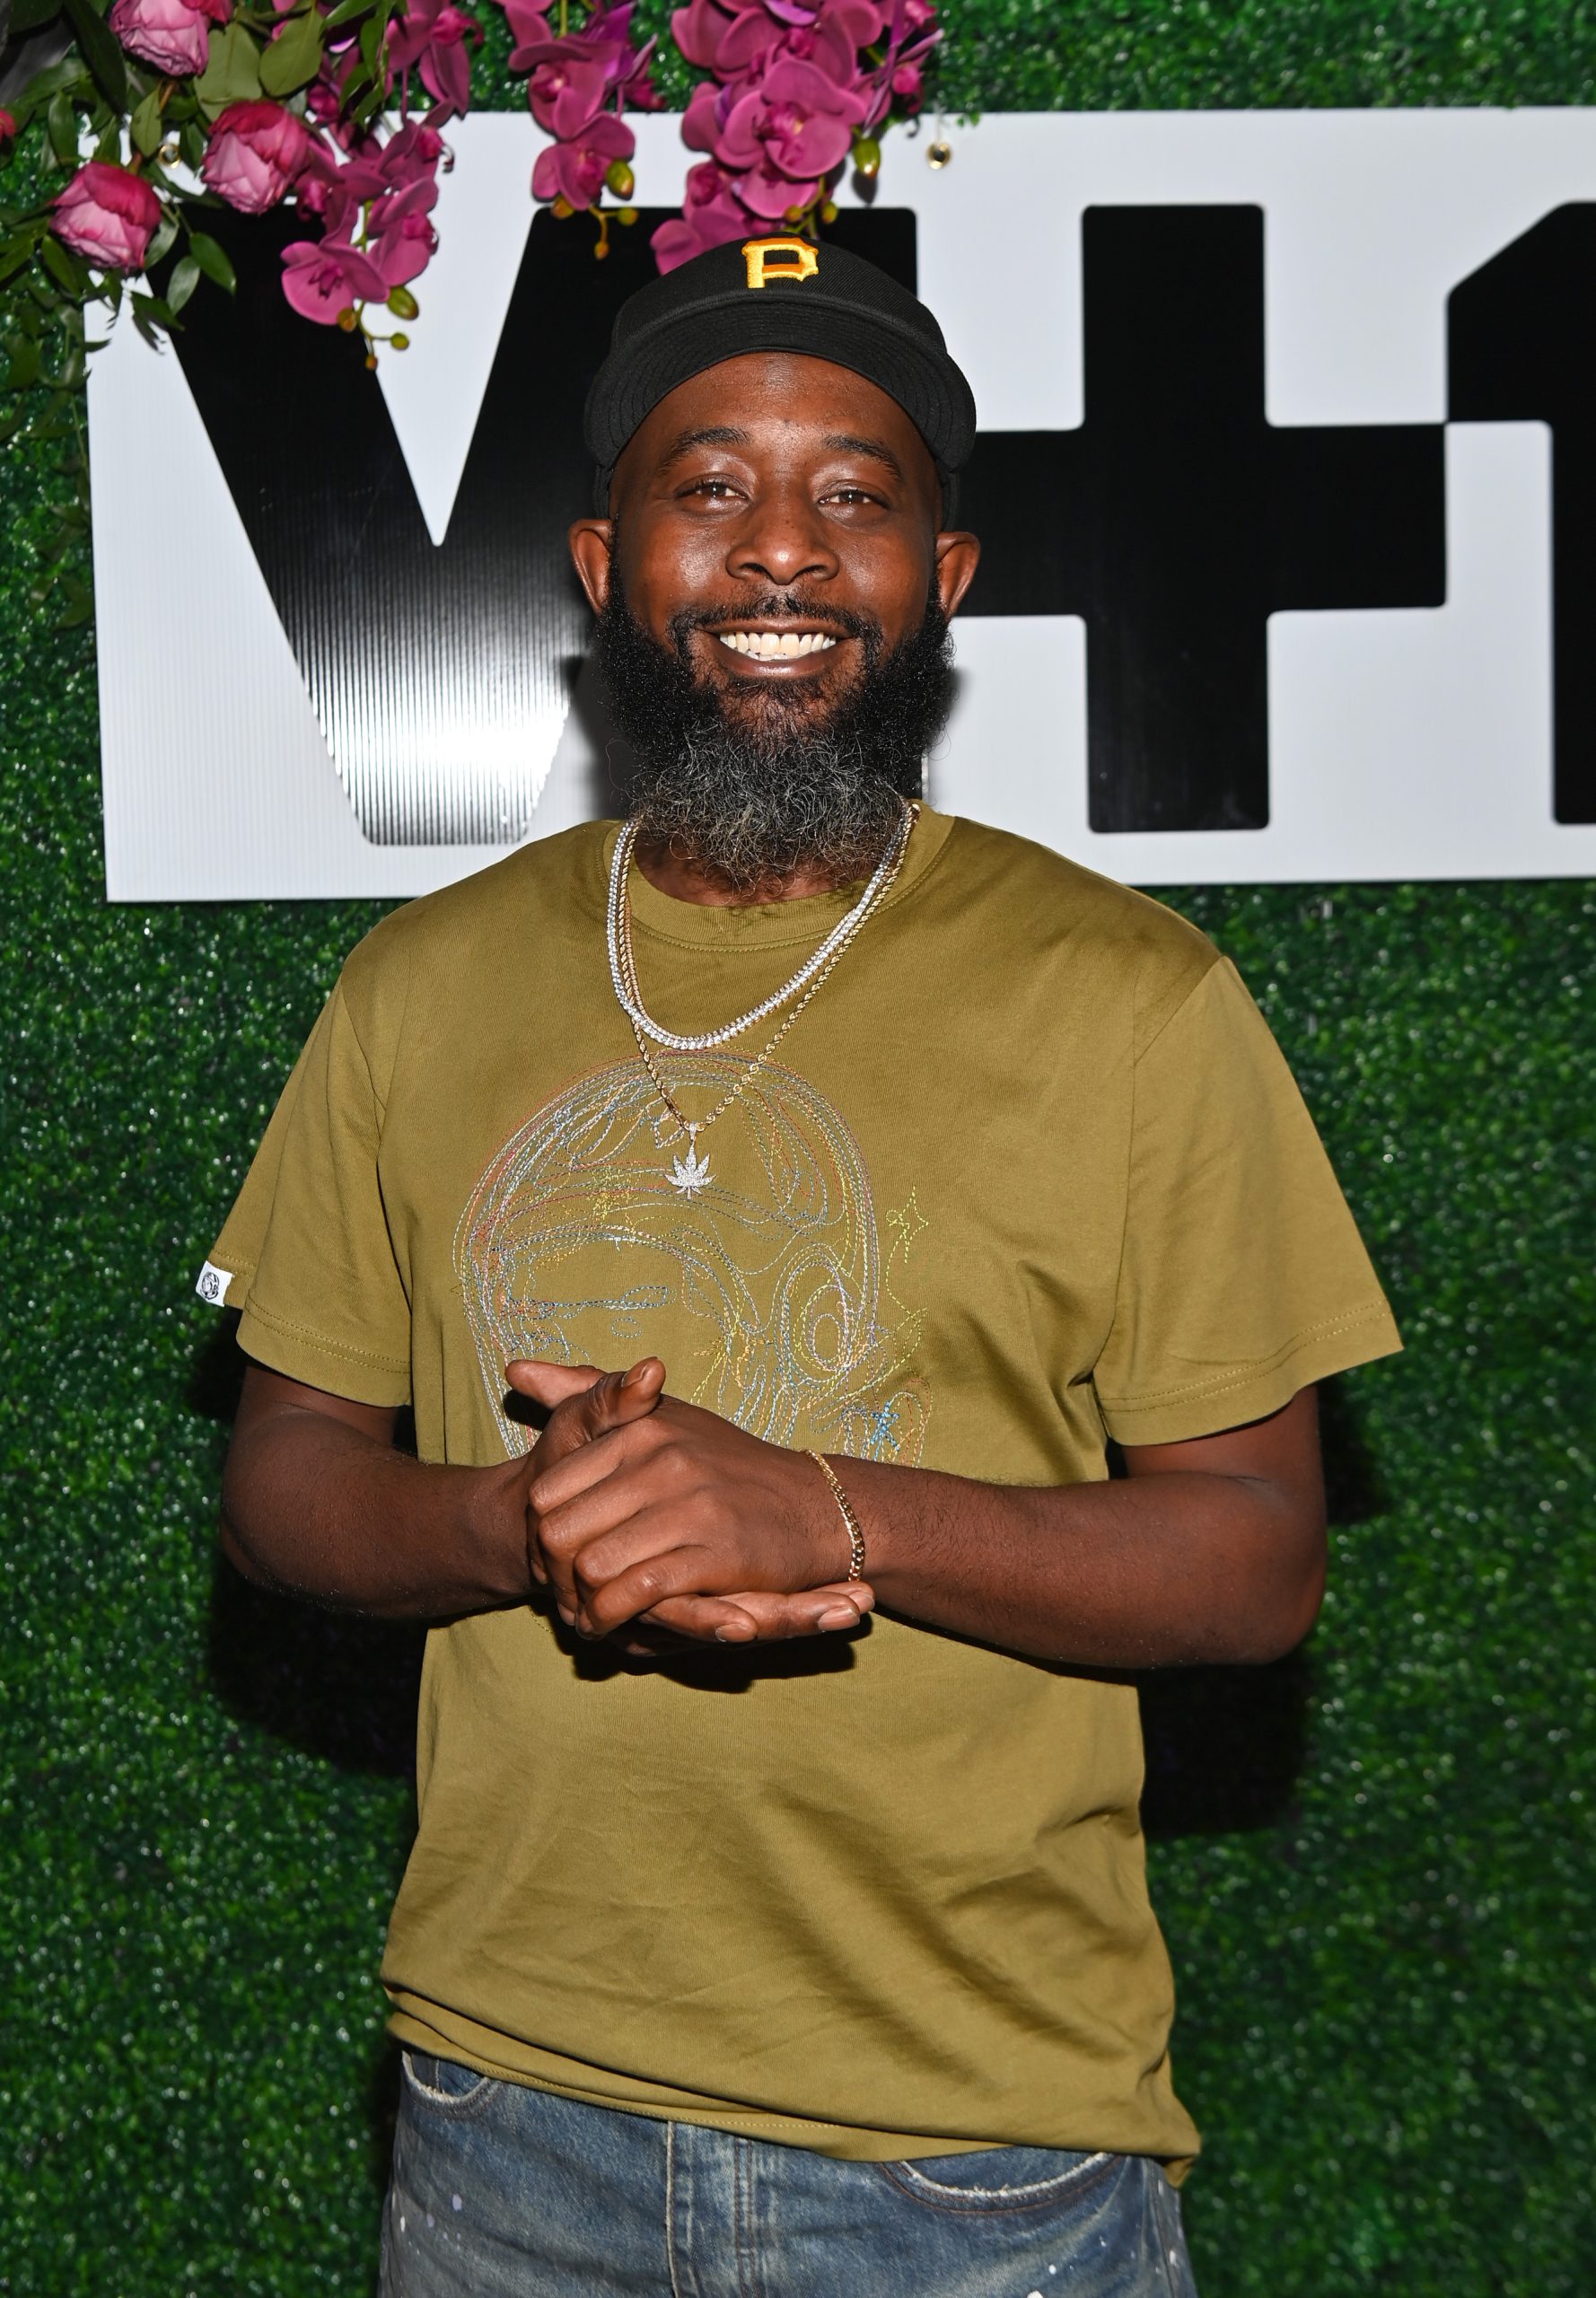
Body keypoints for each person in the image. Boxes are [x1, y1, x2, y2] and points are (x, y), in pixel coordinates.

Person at [206, 235, 1401, 2297]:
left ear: (943, 577)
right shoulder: (416, 983)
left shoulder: (1134, 998)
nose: (782, 547)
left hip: (970, 2162)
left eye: (856, 491)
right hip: (505, 2119)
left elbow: (1252, 1555)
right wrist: (528, 1520)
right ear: (605, 565)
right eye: (710, 486)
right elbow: (284, 1475)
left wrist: (826, 1505)